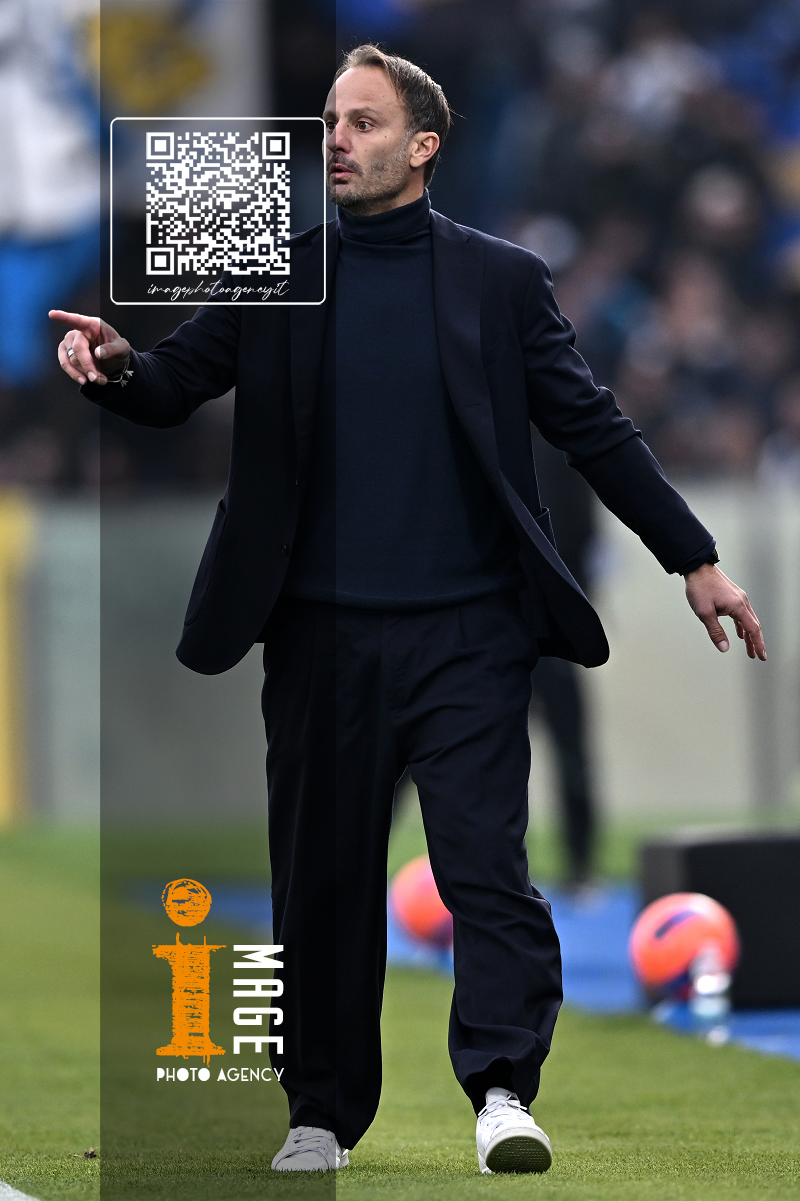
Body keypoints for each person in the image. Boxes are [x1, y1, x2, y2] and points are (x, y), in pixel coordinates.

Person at [50, 44, 766, 1177]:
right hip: (318, 636)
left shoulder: (501, 279)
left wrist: (695, 557)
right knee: (321, 888)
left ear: (422, 147)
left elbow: (592, 424)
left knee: (485, 870)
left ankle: (501, 1091)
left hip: (470, 633)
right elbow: (176, 383)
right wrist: (116, 363)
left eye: (364, 123)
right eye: (331, 120)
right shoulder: (276, 270)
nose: (336, 140)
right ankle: (320, 1113)